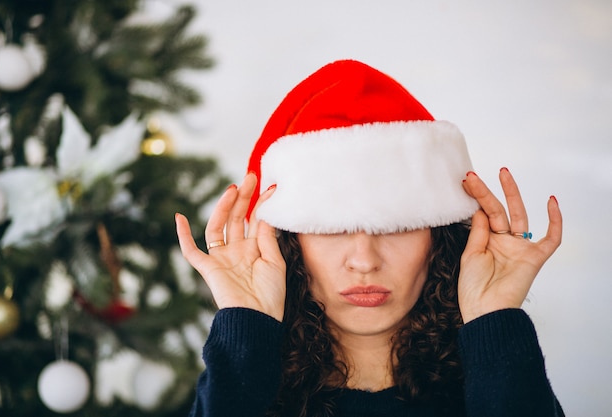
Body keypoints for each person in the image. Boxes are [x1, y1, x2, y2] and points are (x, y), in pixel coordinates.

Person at [175, 59, 564, 417]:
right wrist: (244, 326)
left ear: (438, 240)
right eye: (331, 228)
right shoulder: (244, 386)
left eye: (396, 227)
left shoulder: (501, 374)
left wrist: (496, 322)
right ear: (287, 242)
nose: (364, 260)